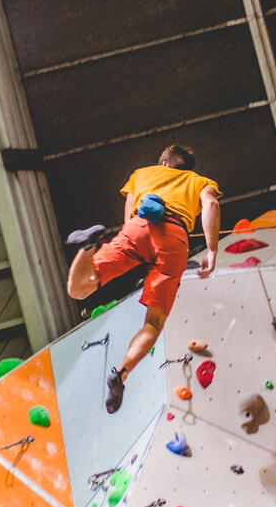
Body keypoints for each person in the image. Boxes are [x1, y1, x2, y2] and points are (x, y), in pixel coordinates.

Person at [66, 144, 221, 413]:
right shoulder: (200, 182)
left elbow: (128, 213)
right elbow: (211, 204)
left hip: (138, 227)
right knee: (154, 322)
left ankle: (87, 247)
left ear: (163, 163)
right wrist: (212, 249)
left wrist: (131, 241)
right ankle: (122, 374)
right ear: (187, 168)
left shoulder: (141, 174)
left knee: (80, 289)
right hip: (174, 238)